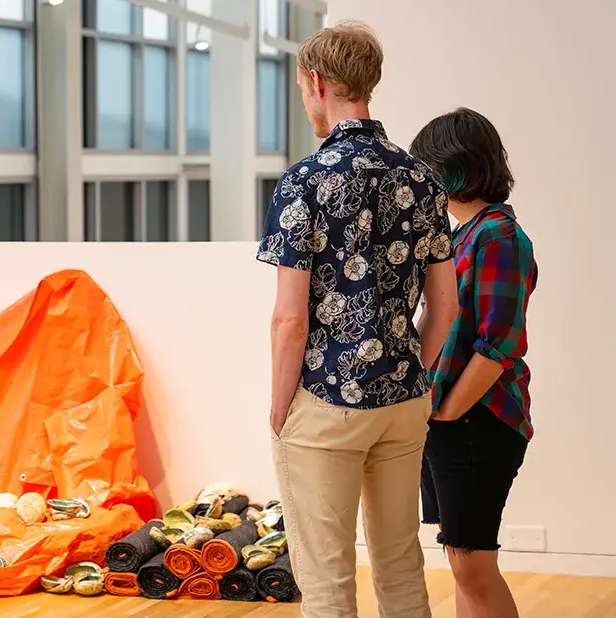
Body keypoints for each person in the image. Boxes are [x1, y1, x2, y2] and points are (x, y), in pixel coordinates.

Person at [257, 21, 459, 618]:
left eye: (301, 90)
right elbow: (445, 305)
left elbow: (289, 320)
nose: (305, 102)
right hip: (402, 403)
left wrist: (279, 404)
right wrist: (412, 369)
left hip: (326, 402)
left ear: (317, 82)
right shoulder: (421, 179)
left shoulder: (305, 182)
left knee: (325, 579)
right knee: (400, 566)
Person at [410, 108, 538, 618]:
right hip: (455, 424)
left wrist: (444, 414)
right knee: (462, 562)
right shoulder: (464, 235)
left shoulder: (497, 236)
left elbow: (498, 347)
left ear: (451, 167)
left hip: (477, 423)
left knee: (472, 566)